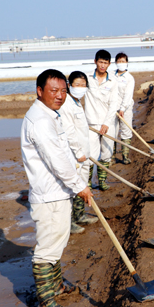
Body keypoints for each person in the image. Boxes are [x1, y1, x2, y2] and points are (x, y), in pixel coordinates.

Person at [21, 69, 93, 307]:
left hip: (58, 193)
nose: (60, 95)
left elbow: (63, 153)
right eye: (54, 91)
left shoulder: (51, 115)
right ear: (39, 91)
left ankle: (57, 285)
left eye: (63, 91)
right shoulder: (40, 120)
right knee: (47, 250)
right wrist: (79, 185)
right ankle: (46, 303)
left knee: (57, 243)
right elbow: (57, 160)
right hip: (49, 196)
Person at [58, 71, 100, 234]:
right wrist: (77, 152)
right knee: (72, 188)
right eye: (77, 84)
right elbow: (69, 132)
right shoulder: (66, 104)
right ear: (69, 85)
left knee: (82, 185)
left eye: (83, 85)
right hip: (75, 155)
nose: (80, 88)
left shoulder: (77, 102)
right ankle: (68, 222)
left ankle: (79, 215)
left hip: (84, 153)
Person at [85, 49, 121, 190]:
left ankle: (102, 181)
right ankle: (88, 183)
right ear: (95, 61)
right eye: (100, 62)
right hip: (91, 123)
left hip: (108, 123)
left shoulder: (113, 81)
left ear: (109, 64)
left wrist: (106, 123)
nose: (102, 65)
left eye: (105, 63)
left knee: (106, 153)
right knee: (90, 154)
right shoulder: (87, 78)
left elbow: (114, 104)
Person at [114, 52, 135, 164]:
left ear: (127, 63)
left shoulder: (129, 78)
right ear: (115, 62)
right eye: (119, 61)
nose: (121, 63)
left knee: (126, 131)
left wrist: (122, 108)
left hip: (125, 109)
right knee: (112, 131)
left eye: (123, 61)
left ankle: (125, 156)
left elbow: (128, 95)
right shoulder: (111, 75)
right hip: (113, 108)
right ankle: (111, 156)